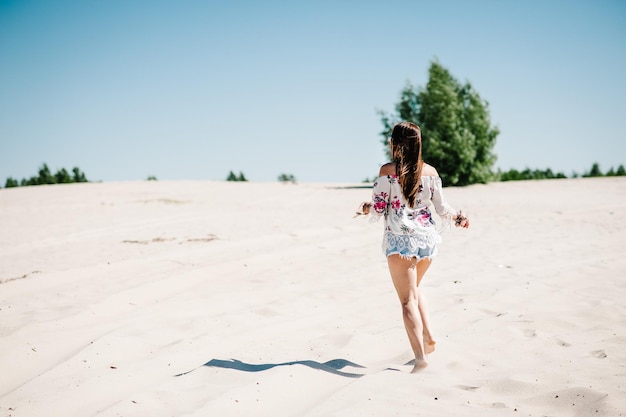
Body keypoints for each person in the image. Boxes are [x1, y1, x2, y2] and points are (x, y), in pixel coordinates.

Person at [357, 121, 469, 373]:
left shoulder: (387, 171)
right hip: (427, 242)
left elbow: (377, 207)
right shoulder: (431, 172)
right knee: (415, 290)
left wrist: (365, 208)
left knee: (407, 301)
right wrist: (458, 218)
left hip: (399, 242)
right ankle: (428, 338)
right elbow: (442, 209)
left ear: (395, 143)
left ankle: (420, 357)